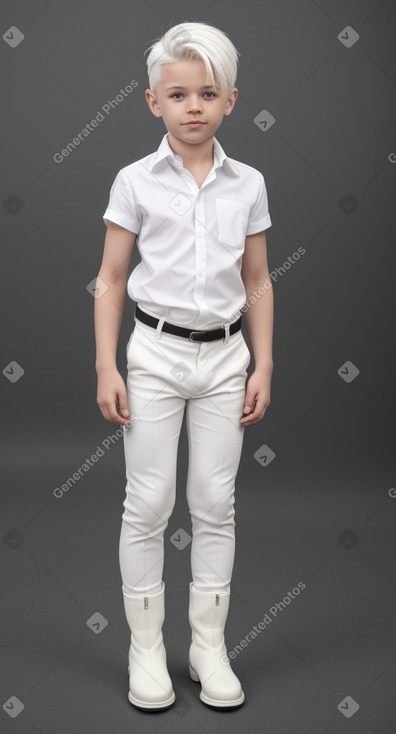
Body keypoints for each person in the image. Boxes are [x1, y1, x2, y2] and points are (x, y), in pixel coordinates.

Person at [94, 20, 273, 712]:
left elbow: (257, 279)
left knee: (212, 501)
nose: (193, 106)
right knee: (149, 501)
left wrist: (261, 364)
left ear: (230, 99)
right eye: (178, 94)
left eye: (208, 92)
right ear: (152, 102)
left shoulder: (247, 183)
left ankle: (207, 645)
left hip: (225, 358)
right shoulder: (134, 180)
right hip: (154, 356)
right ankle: (145, 647)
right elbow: (111, 278)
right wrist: (108, 367)